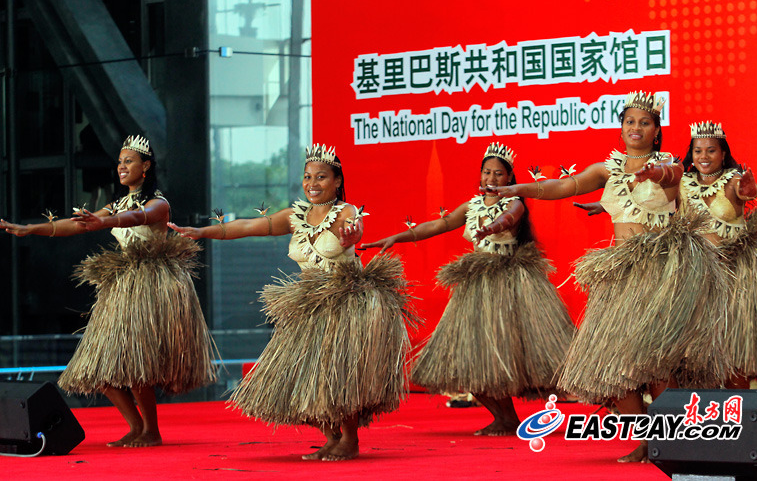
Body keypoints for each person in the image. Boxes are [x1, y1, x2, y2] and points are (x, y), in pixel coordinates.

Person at [486, 92, 728, 462]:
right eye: (630, 121)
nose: (636, 128)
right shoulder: (607, 170)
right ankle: (647, 439)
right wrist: (520, 189)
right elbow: (565, 185)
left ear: (657, 131)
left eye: (644, 123)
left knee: (658, 363)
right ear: (621, 128)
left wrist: (654, 173)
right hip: (621, 275)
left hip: (659, 272)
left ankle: (674, 442)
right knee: (615, 366)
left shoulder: (668, 163)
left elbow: (671, 177)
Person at [169, 144, 417, 461]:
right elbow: (247, 226)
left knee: (338, 373)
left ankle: (349, 439)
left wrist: (351, 238)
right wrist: (201, 231)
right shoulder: (294, 216)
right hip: (309, 306)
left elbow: (354, 230)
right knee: (302, 376)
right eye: (307, 176)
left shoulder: (346, 212)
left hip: (344, 303)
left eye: (321, 177)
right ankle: (332, 437)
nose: (312, 183)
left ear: (337, 181)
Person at [1, 135, 217, 447]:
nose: (121, 167)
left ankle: (152, 431)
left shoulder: (158, 203)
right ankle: (136, 427)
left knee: (136, 361)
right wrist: (31, 229)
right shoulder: (118, 203)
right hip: (122, 286)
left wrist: (104, 221)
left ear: (145, 166)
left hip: (150, 286)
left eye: (128, 161)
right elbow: (77, 225)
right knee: (101, 367)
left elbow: (136, 217)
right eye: (119, 162)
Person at [362, 142, 574, 436]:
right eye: (487, 172)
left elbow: (509, 218)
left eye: (498, 173)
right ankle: (505, 418)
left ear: (509, 177)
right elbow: (438, 225)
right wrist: (397, 237)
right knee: (472, 358)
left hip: (509, 287)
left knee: (499, 354)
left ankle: (513, 416)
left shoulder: (515, 202)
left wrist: (492, 227)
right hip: (477, 288)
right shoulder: (472, 206)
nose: (491, 178)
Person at [678, 121, 757, 388]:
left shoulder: (734, 180)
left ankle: (739, 407)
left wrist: (748, 189)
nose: (704, 156)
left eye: (711, 150)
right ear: (691, 154)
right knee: (700, 354)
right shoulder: (682, 182)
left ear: (723, 154)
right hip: (696, 276)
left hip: (734, 275)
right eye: (698, 151)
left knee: (733, 350)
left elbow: (748, 192)